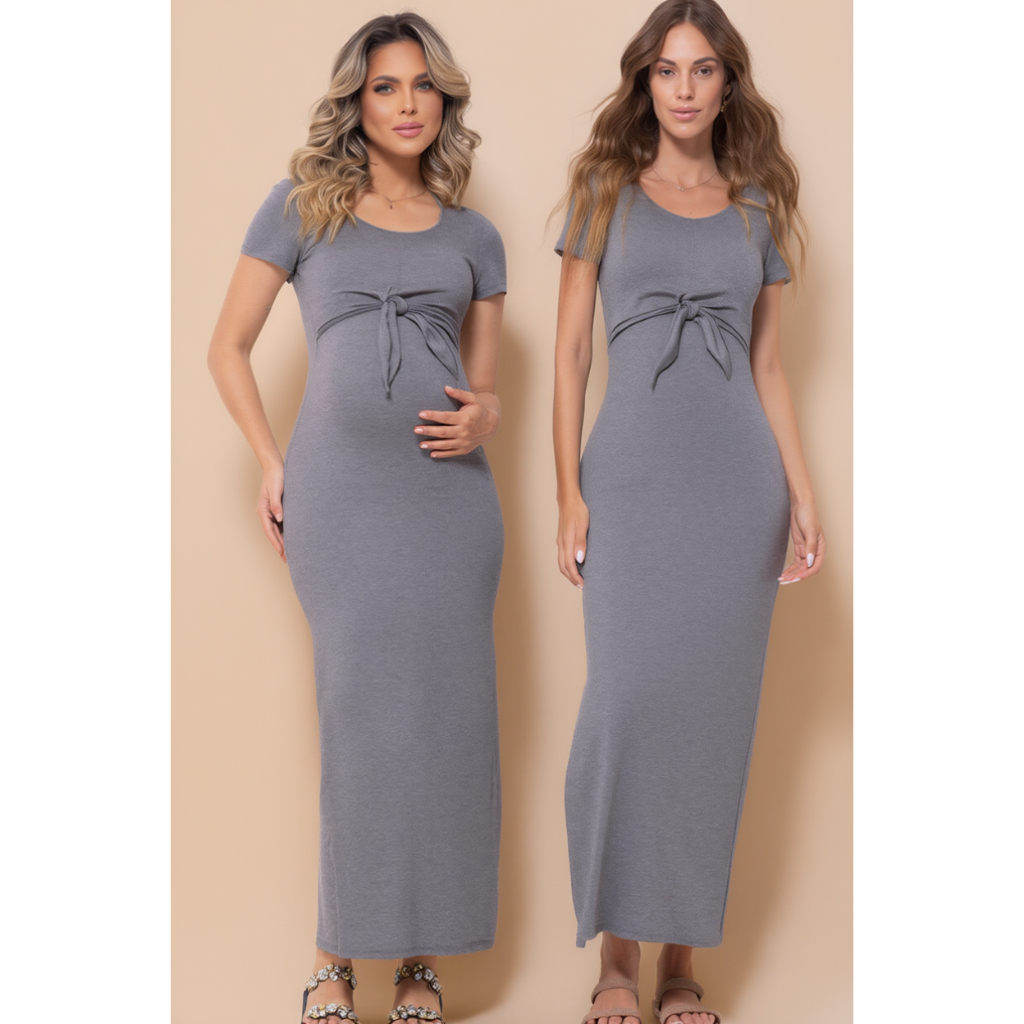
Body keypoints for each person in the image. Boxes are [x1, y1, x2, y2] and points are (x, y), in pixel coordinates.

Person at [207, 13, 506, 1024]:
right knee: (360, 721)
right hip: (340, 499)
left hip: (452, 507)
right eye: (386, 86)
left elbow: (485, 389)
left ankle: (421, 964)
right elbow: (226, 347)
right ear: (357, 101)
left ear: (444, 100)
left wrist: (485, 417)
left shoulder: (474, 237)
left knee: (444, 726)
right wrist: (271, 460)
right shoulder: (301, 209)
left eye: (423, 86)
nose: (408, 103)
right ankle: (332, 961)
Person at [552, 2, 825, 1023]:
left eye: (702, 69)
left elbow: (769, 367)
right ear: (644, 81)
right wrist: (567, 492)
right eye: (666, 69)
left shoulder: (756, 209)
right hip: (627, 483)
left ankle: (676, 966)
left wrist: (803, 493)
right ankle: (614, 957)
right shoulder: (603, 193)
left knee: (710, 725)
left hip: (735, 492)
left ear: (726, 84)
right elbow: (570, 356)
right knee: (626, 706)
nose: (683, 87)